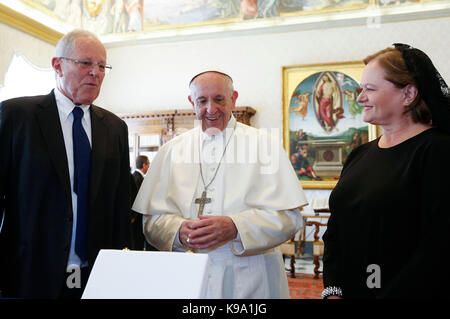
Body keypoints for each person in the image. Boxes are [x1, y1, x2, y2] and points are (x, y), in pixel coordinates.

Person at [132, 70, 307, 298]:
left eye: (219, 99)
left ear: (233, 99)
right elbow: (151, 221)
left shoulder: (265, 146)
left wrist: (236, 227)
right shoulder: (171, 151)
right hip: (187, 276)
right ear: (191, 102)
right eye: (202, 101)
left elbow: (289, 218)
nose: (211, 109)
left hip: (251, 277)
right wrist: (177, 231)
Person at [0, 29, 130, 298]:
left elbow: (120, 205)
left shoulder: (115, 128)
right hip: (29, 273)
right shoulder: (16, 117)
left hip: (94, 274)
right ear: (57, 65)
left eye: (102, 65)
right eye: (86, 63)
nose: (96, 72)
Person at [322, 44, 450, 299]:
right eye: (361, 89)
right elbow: (335, 229)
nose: (359, 98)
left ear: (409, 94)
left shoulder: (438, 151)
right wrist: (334, 290)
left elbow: (438, 245)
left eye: (370, 89)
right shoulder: (359, 154)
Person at [129, 155, 150, 250]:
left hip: (139, 217)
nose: (149, 166)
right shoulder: (136, 178)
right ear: (144, 165)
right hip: (136, 218)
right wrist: (133, 216)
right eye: (148, 163)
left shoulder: (138, 177)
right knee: (137, 243)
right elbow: (135, 199)